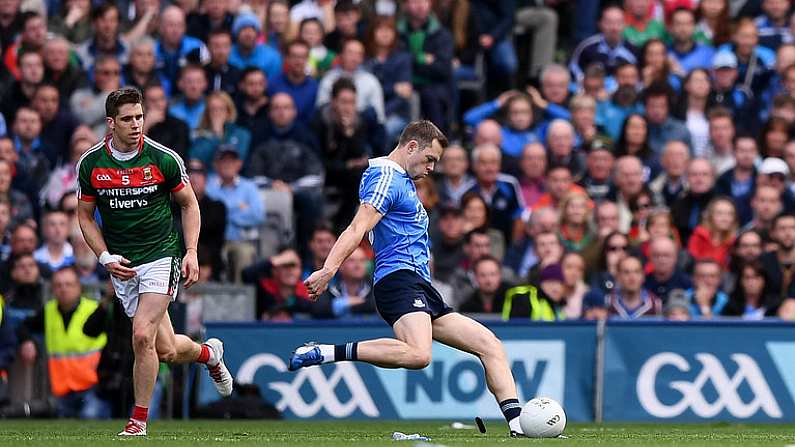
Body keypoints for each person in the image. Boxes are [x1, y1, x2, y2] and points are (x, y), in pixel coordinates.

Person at [293, 120, 530, 437]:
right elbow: (357, 228)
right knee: (419, 355)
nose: (432, 168)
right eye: (430, 159)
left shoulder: (402, 180)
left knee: (490, 345)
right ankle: (325, 352)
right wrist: (328, 269)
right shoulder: (385, 177)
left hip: (420, 286)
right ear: (412, 146)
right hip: (397, 280)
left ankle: (518, 426)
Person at [76, 88, 233, 436]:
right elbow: (85, 216)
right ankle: (209, 355)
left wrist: (190, 251)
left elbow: (190, 205)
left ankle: (138, 422)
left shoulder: (162, 158)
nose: (135, 125)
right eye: (128, 119)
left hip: (162, 255)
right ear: (110, 123)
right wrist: (104, 257)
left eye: (139, 117)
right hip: (123, 263)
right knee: (165, 350)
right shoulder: (91, 164)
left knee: (141, 335)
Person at [16, 266, 109, 418]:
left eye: (68, 284)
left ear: (79, 287)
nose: (63, 289)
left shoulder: (94, 309)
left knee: (91, 419)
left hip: (92, 385)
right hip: (62, 388)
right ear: (52, 289)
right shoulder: (48, 310)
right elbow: (23, 326)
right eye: (58, 285)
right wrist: (27, 341)